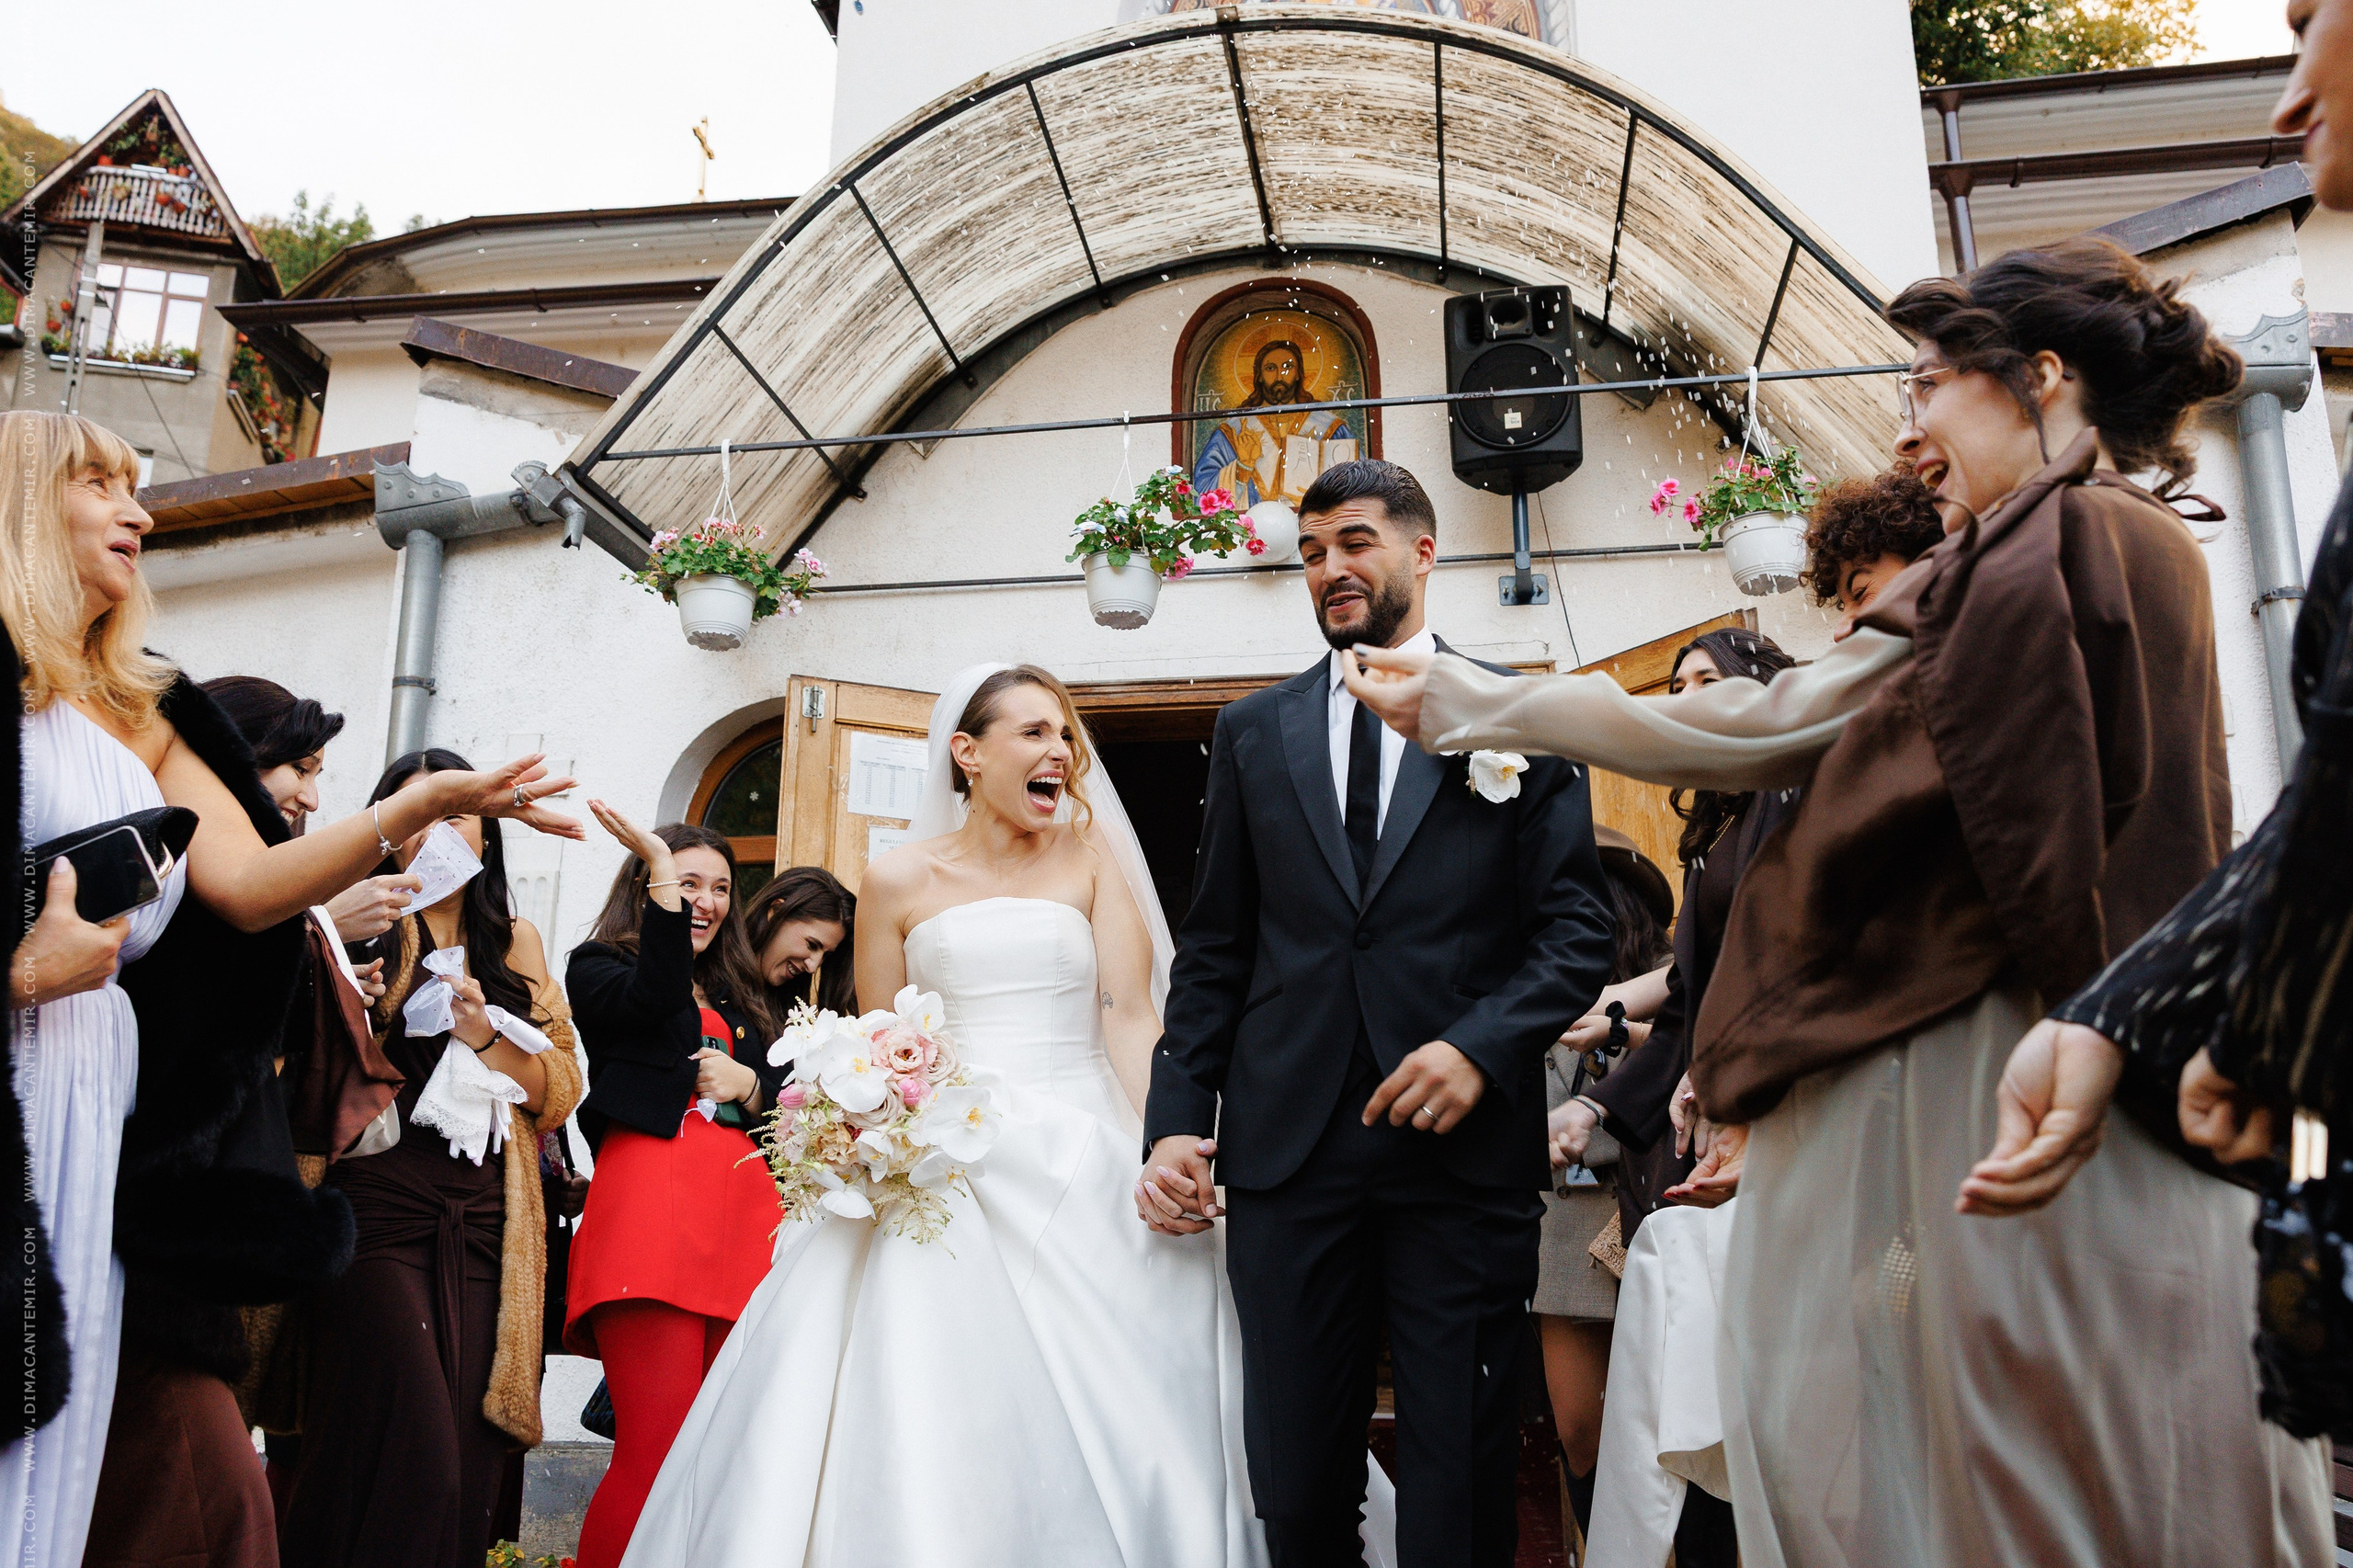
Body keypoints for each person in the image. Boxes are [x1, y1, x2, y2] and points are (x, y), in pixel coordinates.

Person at [1343, 239, 2333, 1563]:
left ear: (2039, 376)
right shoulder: (2123, 546)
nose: (1910, 429)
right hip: (2082, 1049)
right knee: (2065, 1435)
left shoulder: (2055, 545)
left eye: (1929, 384)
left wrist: (1478, 699)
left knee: (1975, 1453)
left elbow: (1772, 724)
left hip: (1990, 1055)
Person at [617, 662, 1398, 1567]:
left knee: (1152, 1375)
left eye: (1065, 733)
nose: (1060, 750)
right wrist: (867, 1118)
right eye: (1032, 731)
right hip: (942, 1162)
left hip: (1083, 1145)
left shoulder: (1092, 855)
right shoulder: (897, 877)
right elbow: (884, 1034)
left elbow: (1132, 1015)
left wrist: (1171, 1142)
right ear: (967, 753)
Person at [0, 411, 578, 1568]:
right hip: (15, 1071)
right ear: (18, 499)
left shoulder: (144, 706)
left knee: (60, 1438)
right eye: (102, 485)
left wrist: (408, 812)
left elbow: (257, 885)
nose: (141, 513)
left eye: (140, 488)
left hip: (103, 1115)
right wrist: (20, 970)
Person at [1973, 0, 2353, 1445]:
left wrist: (2237, 1035)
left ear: (2041, 385)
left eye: (2312, 19)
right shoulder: (2123, 534)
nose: (2282, 95)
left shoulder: (2093, 538)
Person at [1144, 458, 1616, 1568]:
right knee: (1299, 1490)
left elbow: (1576, 935)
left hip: (1459, 1157)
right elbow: (1215, 948)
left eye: (1353, 542)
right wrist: (1175, 1115)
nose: (1330, 569)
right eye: (1310, 553)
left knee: (1458, 1484)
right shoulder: (1253, 731)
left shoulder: (1518, 715)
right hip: (1289, 1158)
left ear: (1421, 549)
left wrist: (1479, 1045)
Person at [278, 749, 585, 1568]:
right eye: (417, 812)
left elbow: (558, 1090)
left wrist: (480, 1031)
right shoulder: (351, 913)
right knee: (403, 1432)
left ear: (486, 841)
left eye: (456, 815)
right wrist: (348, 957)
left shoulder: (514, 940)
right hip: (374, 1204)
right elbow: (300, 1060)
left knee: (468, 1451)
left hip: (491, 1217)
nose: (438, 831)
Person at [563, 819, 784, 1568]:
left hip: (747, 1223)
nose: (708, 902)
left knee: (721, 1458)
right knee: (655, 1449)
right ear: (648, 887)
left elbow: (792, 1094)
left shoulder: (741, 991)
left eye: (721, 888)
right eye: (687, 883)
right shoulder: (597, 966)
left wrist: (751, 1084)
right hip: (651, 1214)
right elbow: (651, 999)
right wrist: (661, 875)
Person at [1536, 826, 1672, 1549]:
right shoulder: (1525, 984)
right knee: (1580, 1431)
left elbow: (1699, 1060)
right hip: (1565, 1223)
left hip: (1660, 1206)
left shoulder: (1674, 979)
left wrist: (1626, 1031)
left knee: (1677, 1419)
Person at [743, 864, 855, 1017]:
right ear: (776, 912)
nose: (813, 967)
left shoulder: (790, 1011)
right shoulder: (709, 985)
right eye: (812, 945)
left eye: (826, 956)